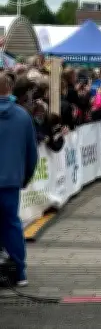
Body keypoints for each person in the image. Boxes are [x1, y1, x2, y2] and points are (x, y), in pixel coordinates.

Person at [0, 73, 38, 287]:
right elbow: (32, 154)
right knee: (12, 224)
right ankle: (19, 272)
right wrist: (24, 178)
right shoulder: (23, 116)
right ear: (10, 89)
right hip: (11, 181)